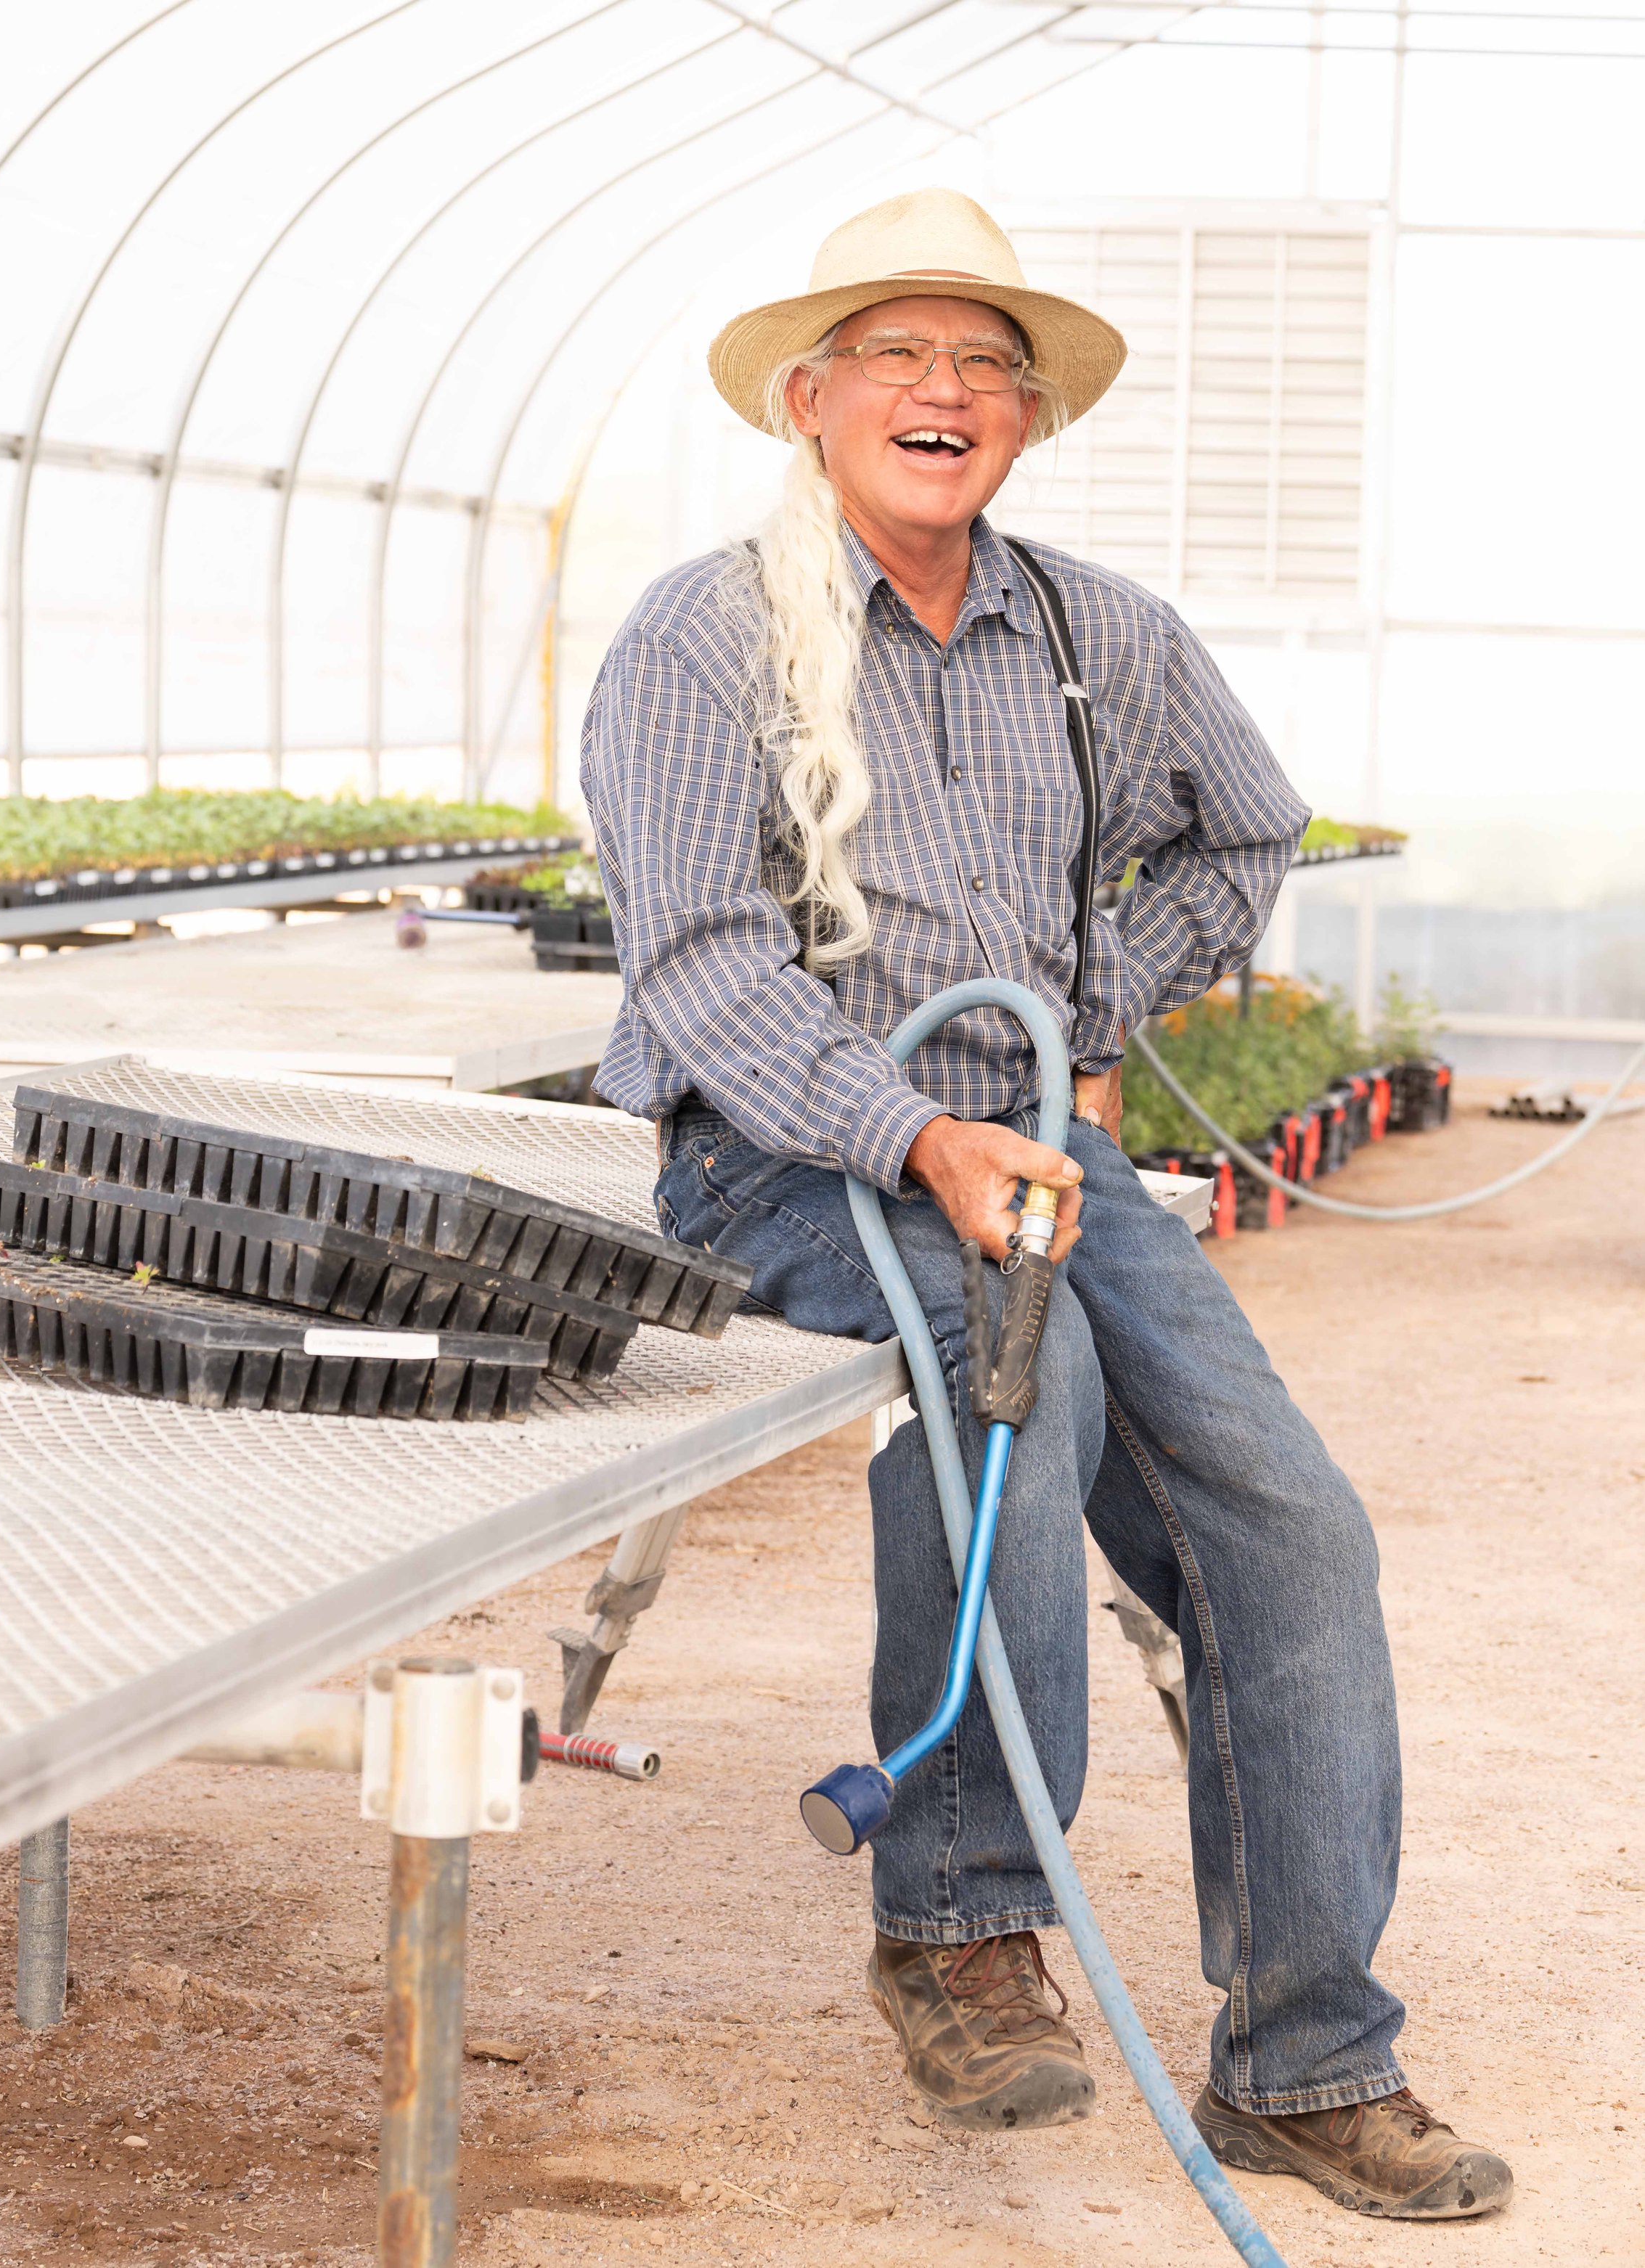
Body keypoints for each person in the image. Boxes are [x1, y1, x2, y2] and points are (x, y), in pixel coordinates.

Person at [579, 187, 1510, 2223]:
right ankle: (962, 1930)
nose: (943, 392)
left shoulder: (1101, 638)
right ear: (810, 402)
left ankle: (1304, 2053)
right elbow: (698, 967)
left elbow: (1243, 831)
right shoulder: (700, 635)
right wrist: (910, 1132)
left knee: (1285, 1523)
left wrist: (1078, 1012)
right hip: (784, 1149)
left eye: (982, 365)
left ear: (1028, 422)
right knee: (1024, 1394)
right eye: (898, 359)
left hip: (1041, 1143)